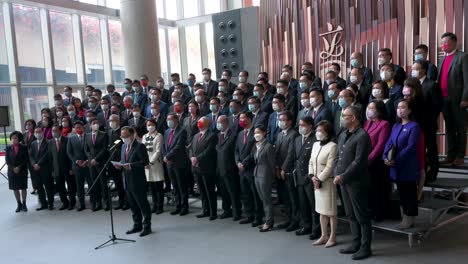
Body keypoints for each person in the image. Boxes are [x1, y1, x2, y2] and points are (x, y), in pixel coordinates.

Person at [334, 106, 372, 260]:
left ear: (354, 118)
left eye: (345, 115)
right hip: (343, 181)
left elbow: (359, 162)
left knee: (361, 215)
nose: (342, 118)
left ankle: (365, 247)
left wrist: (343, 176)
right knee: (350, 214)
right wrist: (337, 173)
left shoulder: (362, 136)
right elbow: (338, 156)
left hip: (356, 182)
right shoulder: (343, 134)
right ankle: (355, 242)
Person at [383, 99, 422, 230]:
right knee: (401, 192)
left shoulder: (414, 126)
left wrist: (395, 158)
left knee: (409, 193)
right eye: (398, 107)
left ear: (410, 110)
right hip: (396, 166)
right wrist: (385, 157)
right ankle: (405, 215)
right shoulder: (396, 126)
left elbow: (411, 147)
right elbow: (389, 143)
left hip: (407, 165)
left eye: (403, 107)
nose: (400, 110)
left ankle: (409, 217)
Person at [114, 126, 152, 237]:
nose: (123, 138)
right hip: (126, 180)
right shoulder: (123, 146)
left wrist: (130, 166)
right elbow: (124, 160)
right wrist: (120, 164)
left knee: (142, 204)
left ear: (131, 135)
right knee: (133, 205)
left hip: (137, 181)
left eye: (125, 136)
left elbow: (144, 162)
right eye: (122, 136)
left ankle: (147, 226)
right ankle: (137, 225)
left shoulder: (140, 146)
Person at [437, 32, 468, 166]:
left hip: (458, 99)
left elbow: (467, 80)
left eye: (445, 42)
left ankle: (460, 156)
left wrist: (465, 98)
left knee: (460, 128)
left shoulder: (463, 57)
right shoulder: (442, 59)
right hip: (444, 99)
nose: (442, 45)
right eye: (442, 43)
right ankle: (450, 155)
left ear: (454, 42)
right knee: (449, 127)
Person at [412, 60, 443, 182]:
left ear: (424, 70)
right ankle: (422, 171)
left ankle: (433, 173)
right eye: (413, 68)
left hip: (428, 123)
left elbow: (438, 105)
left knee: (431, 149)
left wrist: (429, 117)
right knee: (419, 149)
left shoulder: (431, 85)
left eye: (416, 68)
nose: (414, 71)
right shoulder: (412, 85)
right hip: (415, 124)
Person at [309, 120, 338, 247]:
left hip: (327, 182)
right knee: (321, 210)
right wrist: (312, 176)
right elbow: (311, 161)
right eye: (317, 130)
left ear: (328, 132)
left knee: (331, 211)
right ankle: (323, 235)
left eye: (321, 131)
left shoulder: (333, 146)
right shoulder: (315, 144)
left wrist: (319, 179)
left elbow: (330, 166)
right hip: (316, 181)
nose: (318, 133)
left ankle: (332, 236)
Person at [363, 101, 391, 221]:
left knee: (378, 188)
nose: (369, 110)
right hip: (365, 160)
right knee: (368, 188)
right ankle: (370, 210)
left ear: (379, 111)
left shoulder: (384, 124)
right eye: (368, 107)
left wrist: (369, 159)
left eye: (372, 108)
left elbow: (380, 145)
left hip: (376, 162)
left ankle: (379, 213)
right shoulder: (366, 123)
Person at [293, 116, 320, 239]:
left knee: (314, 205)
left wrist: (311, 175)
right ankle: (306, 225)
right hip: (299, 176)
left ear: (310, 126)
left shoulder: (315, 139)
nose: (300, 127)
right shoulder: (298, 139)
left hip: (310, 176)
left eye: (303, 125)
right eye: (299, 125)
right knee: (303, 204)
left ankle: (316, 229)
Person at [235, 111, 263, 226]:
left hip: (251, 168)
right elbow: (236, 150)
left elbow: (254, 151)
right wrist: (238, 162)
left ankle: (258, 217)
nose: (241, 120)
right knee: (245, 193)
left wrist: (244, 163)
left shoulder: (255, 133)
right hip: (241, 169)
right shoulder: (240, 134)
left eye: (243, 118)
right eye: (240, 118)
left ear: (249, 119)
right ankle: (249, 215)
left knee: (255, 194)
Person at [275, 111, 300, 232]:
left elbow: (291, 154)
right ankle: (288, 218)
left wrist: (284, 169)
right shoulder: (280, 134)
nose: (281, 122)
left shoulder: (293, 134)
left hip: (288, 171)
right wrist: (276, 167)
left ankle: (295, 220)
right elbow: (277, 152)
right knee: (284, 197)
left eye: (283, 120)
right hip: (279, 170)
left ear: (290, 121)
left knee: (292, 197)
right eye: (280, 120)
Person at [190, 117, 218, 220]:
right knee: (201, 190)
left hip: (207, 167)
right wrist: (192, 157)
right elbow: (192, 149)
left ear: (206, 124)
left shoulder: (212, 136)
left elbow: (209, 150)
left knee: (209, 190)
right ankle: (205, 210)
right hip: (196, 167)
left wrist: (197, 158)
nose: (198, 123)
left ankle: (213, 212)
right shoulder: (196, 136)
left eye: (200, 122)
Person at [163, 113, 190, 216]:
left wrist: (168, 156)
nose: (168, 121)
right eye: (167, 119)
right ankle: (178, 206)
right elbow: (164, 146)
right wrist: (165, 157)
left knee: (181, 186)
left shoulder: (182, 131)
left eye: (171, 119)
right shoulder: (166, 132)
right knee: (174, 186)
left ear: (176, 120)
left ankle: (184, 207)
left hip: (179, 163)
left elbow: (178, 147)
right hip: (169, 163)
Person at [216, 115, 241, 220]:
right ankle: (226, 210)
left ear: (226, 123)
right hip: (220, 169)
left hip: (230, 169)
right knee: (224, 192)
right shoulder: (218, 135)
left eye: (220, 122)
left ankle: (236, 212)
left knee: (233, 192)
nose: (218, 124)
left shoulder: (233, 135)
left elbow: (235, 152)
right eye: (217, 122)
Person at [251, 125, 275, 232]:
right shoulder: (256, 145)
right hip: (257, 174)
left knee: (267, 200)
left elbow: (272, 164)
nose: (256, 134)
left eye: (258, 132)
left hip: (265, 176)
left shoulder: (268, 146)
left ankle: (269, 222)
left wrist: (271, 177)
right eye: (255, 132)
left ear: (264, 133)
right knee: (263, 200)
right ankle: (267, 220)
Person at [66, 121, 92, 211]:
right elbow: (69, 152)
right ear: (74, 129)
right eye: (76, 127)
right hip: (77, 165)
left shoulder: (88, 136)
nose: (78, 129)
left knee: (91, 184)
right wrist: (76, 161)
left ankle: (93, 202)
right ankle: (81, 204)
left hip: (88, 164)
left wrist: (86, 161)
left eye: (79, 127)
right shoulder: (71, 138)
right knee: (79, 185)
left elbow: (91, 150)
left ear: (83, 127)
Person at [48, 125, 75, 210]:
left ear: (60, 131)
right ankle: (64, 202)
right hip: (56, 169)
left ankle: (72, 202)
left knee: (70, 186)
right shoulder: (50, 142)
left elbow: (70, 155)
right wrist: (52, 169)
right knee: (60, 187)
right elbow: (50, 157)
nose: (54, 132)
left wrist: (71, 168)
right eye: (52, 131)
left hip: (67, 168)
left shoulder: (67, 140)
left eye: (55, 130)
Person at [84, 119, 108, 211]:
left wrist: (96, 159)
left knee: (103, 183)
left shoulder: (103, 134)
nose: (96, 125)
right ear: (90, 125)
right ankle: (98, 202)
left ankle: (106, 202)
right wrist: (91, 159)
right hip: (91, 163)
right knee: (95, 184)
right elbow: (86, 150)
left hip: (100, 162)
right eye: (94, 123)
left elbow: (104, 149)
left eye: (97, 123)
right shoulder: (87, 135)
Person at [143, 119, 165, 214]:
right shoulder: (145, 136)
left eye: (151, 124)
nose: (150, 126)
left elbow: (158, 151)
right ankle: (154, 205)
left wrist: (150, 162)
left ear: (155, 125)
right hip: (146, 165)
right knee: (151, 187)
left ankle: (160, 206)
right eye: (148, 125)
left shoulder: (159, 136)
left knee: (158, 187)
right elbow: (143, 151)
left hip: (155, 164)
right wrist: (145, 162)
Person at [29, 128, 54, 210]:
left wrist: (39, 164)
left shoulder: (48, 142)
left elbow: (47, 154)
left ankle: (50, 203)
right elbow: (31, 155)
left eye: (39, 132)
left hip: (45, 168)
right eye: (36, 132)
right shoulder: (33, 143)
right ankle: (43, 204)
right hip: (36, 169)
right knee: (39, 187)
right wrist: (34, 164)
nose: (37, 133)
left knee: (48, 187)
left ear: (42, 133)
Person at [107, 114, 128, 210]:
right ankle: (121, 202)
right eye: (110, 121)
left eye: (113, 120)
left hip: (123, 162)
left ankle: (127, 202)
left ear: (118, 121)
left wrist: (122, 160)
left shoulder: (123, 132)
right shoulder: (109, 132)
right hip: (113, 162)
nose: (111, 123)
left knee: (125, 184)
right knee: (118, 184)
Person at [6, 131, 29, 213]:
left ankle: (24, 204)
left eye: (15, 138)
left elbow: (26, 159)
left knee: (23, 187)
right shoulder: (8, 148)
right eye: (12, 138)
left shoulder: (24, 147)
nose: (13, 139)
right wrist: (13, 168)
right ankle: (19, 204)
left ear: (19, 139)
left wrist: (19, 167)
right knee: (15, 188)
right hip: (12, 172)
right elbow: (7, 160)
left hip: (22, 170)